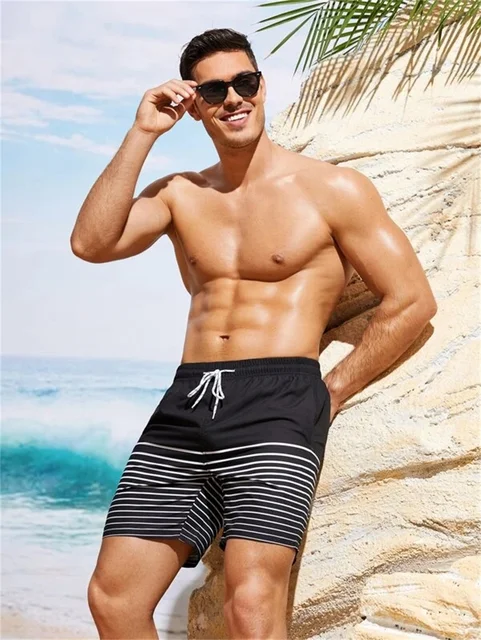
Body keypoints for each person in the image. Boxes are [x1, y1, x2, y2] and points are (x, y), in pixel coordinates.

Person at [71, 27, 437, 640]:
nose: (234, 98)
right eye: (215, 90)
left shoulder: (331, 188)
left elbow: (411, 301)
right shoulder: (180, 193)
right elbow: (91, 243)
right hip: (187, 401)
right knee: (113, 598)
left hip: (278, 399)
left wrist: (331, 390)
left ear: (262, 86)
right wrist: (142, 133)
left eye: (245, 82)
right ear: (194, 105)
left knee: (250, 607)